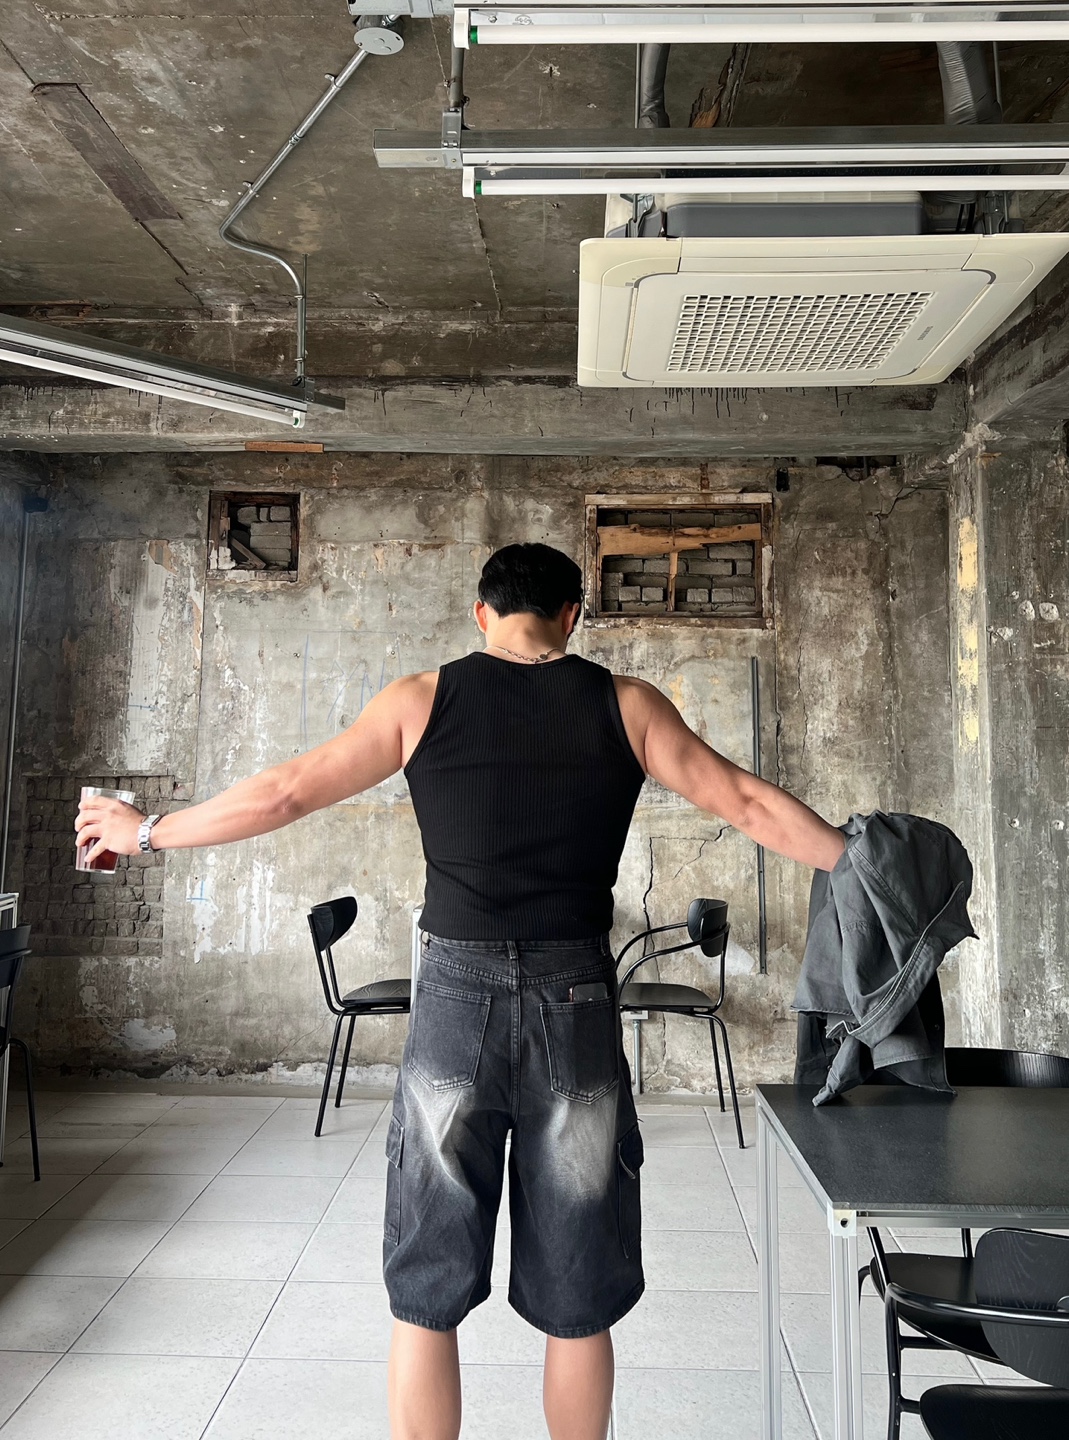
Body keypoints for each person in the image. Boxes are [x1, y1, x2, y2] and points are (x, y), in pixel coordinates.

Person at [76, 542, 845, 1440]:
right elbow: (745, 803)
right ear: (571, 616)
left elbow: (285, 793)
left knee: (427, 1278)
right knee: (577, 1285)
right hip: (575, 998)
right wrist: (866, 863)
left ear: (481, 615)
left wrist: (148, 833)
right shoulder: (627, 703)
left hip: (453, 998)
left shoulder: (419, 700)